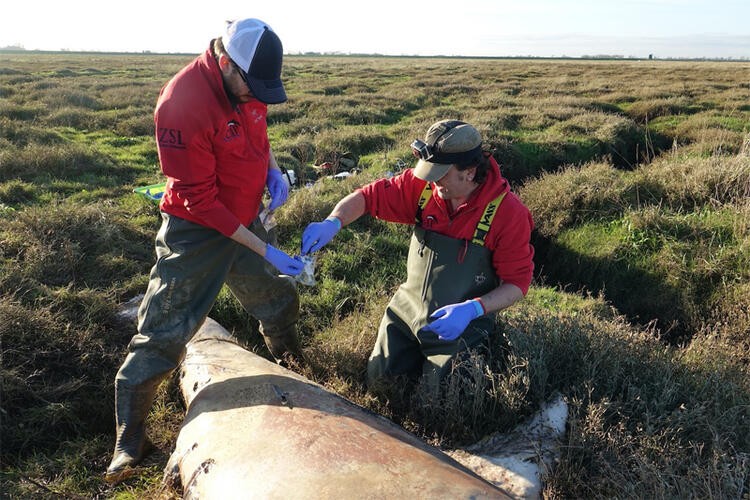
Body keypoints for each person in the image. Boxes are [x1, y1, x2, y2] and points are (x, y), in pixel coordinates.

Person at [106, 18, 304, 483]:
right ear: (225, 61)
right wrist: (265, 249)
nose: (257, 96)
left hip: (246, 217)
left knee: (276, 298)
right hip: (197, 229)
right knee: (163, 328)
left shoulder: (249, 86)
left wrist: (273, 173)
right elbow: (201, 201)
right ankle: (130, 438)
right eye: (251, 86)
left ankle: (295, 366)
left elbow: (259, 134)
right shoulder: (182, 105)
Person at [301, 120, 534, 388]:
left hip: (460, 327)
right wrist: (333, 221)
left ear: (469, 172)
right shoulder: (424, 187)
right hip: (404, 314)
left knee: (441, 399)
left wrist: (473, 309)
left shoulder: (508, 214)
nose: (432, 182)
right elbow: (368, 197)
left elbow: (517, 284)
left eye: (441, 174)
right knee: (379, 382)